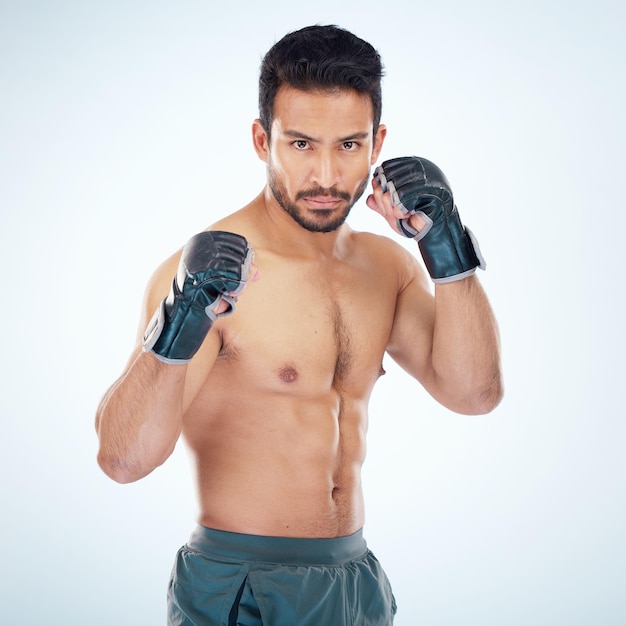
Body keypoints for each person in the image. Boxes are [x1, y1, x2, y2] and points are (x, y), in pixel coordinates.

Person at [95, 24, 503, 625]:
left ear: (377, 142)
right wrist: (180, 322)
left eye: (348, 145)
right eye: (302, 144)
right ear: (263, 140)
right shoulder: (211, 274)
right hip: (241, 584)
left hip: (356, 579)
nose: (327, 177)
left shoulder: (386, 267)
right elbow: (122, 460)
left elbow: (474, 394)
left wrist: (446, 247)